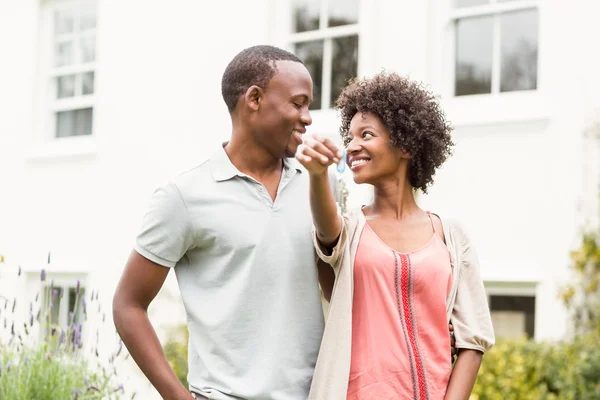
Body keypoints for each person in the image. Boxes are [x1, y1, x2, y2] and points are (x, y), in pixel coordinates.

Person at [113, 45, 456, 400]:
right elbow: (128, 305)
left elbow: (339, 290)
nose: (307, 117)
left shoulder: (320, 185)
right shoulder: (184, 197)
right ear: (255, 99)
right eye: (298, 103)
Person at [296, 72, 494, 399]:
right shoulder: (350, 229)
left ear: (405, 144)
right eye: (350, 137)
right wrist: (318, 176)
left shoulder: (451, 237)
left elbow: (472, 341)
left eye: (367, 135)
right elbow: (326, 230)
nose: (352, 146)